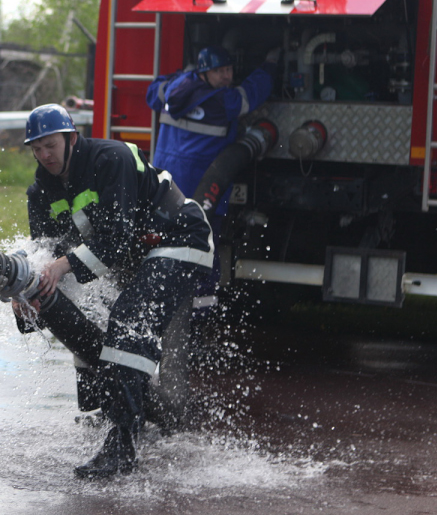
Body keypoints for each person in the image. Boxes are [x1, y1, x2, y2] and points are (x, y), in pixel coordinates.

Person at [21, 104, 213, 480]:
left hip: (179, 238)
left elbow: (115, 238)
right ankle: (110, 415)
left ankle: (122, 445)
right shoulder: (39, 190)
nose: (44, 155)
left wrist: (60, 266)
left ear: (71, 138)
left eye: (50, 145)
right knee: (91, 316)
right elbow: (42, 250)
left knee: (128, 321)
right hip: (133, 254)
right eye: (36, 148)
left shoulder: (112, 157)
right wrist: (23, 290)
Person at [145, 46, 275, 217]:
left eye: (228, 70)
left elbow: (152, 93)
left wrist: (185, 76)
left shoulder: (171, 89)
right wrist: (270, 65)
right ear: (205, 73)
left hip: (165, 175)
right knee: (202, 233)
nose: (227, 77)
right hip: (200, 179)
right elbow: (252, 92)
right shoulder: (223, 100)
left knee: (165, 229)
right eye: (219, 71)